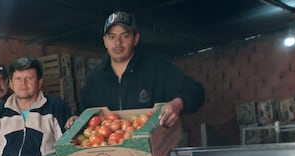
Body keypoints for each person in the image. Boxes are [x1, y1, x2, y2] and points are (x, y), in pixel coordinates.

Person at [69, 11, 205, 128]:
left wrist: (177, 104)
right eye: (112, 37)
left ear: (136, 39)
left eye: (125, 36)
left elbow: (195, 91)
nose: (118, 43)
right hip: (108, 155)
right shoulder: (94, 78)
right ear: (105, 41)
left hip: (152, 153)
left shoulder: (157, 69)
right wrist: (76, 121)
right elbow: (85, 115)